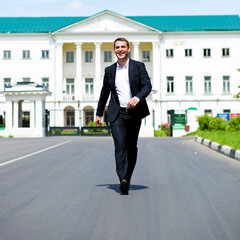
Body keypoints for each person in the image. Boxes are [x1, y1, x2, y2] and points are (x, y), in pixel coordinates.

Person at [95, 37, 152, 195]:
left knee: (131, 146)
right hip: (117, 113)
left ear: (128, 49)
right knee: (120, 145)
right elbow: (104, 92)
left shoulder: (138, 66)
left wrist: (137, 97)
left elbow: (147, 85)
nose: (120, 49)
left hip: (134, 113)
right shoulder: (109, 70)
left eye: (123, 47)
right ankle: (122, 179)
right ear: (114, 50)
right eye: (117, 47)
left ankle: (127, 177)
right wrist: (99, 113)